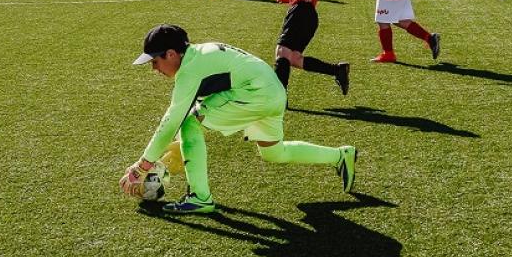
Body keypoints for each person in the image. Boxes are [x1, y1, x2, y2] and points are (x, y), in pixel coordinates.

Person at [119, 25, 358, 213]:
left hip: (255, 94)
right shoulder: (198, 54)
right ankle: (340, 155)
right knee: (275, 153)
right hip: (271, 93)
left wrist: (143, 166)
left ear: (171, 54)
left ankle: (200, 198)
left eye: (155, 61)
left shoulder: (190, 69)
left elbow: (172, 120)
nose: (154, 69)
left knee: (189, 121)